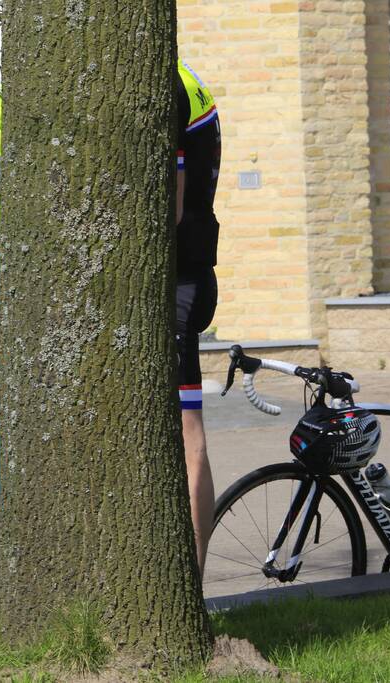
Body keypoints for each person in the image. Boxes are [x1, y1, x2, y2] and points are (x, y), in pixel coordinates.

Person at [175, 62, 222, 574]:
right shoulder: (185, 76)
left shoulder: (165, 84)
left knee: (188, 433)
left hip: (180, 281)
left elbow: (171, 204)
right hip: (191, 271)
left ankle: (191, 582)